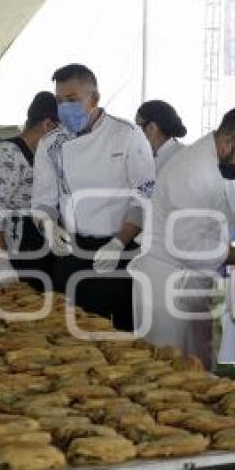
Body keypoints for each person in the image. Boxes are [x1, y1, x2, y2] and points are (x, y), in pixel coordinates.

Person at [130, 105, 235, 369]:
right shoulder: (191, 171)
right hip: (166, 283)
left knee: (199, 368)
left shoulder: (231, 168)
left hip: (197, 281)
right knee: (165, 372)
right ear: (228, 143)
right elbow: (191, 249)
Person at [32, 63, 154, 330]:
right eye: (59, 101)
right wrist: (48, 226)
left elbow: (144, 196)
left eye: (72, 100)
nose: (65, 107)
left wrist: (119, 242)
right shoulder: (50, 144)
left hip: (121, 251)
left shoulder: (127, 135)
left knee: (120, 335)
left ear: (94, 98)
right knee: (69, 332)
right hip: (72, 251)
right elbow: (43, 200)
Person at [0, 91, 59, 287]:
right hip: (7, 247)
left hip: (35, 246)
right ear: (48, 125)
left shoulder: (42, 156)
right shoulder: (5, 154)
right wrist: (2, 263)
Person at [135, 100, 187, 173]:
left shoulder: (180, 157)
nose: (135, 133)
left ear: (152, 128)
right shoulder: (146, 154)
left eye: (137, 127)